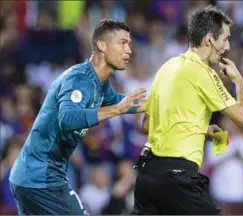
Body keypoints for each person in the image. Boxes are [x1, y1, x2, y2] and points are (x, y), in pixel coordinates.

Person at [9, 19, 147, 215]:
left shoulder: (99, 84)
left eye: (129, 44)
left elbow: (124, 103)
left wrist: (159, 105)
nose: (129, 51)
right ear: (102, 45)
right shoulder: (79, 80)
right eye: (122, 43)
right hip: (41, 176)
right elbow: (68, 118)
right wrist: (117, 109)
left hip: (31, 176)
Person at [133, 6, 243, 215]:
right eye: (224, 39)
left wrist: (201, 129)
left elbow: (147, 125)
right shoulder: (202, 72)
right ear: (209, 39)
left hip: (147, 175)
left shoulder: (166, 68)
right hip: (177, 177)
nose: (227, 46)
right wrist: (238, 80)